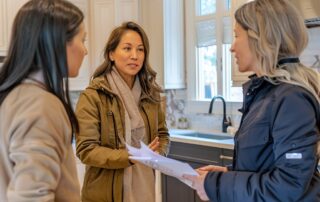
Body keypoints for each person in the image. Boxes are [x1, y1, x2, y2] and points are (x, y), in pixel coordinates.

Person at [183, 0, 320, 201]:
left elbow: (289, 185)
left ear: (260, 38)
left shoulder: (292, 99)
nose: (231, 47)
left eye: (237, 36)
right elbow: (267, 165)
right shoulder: (267, 94)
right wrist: (229, 173)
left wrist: (216, 185)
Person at [0, 0, 87, 201]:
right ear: (57, 43)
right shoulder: (42, 107)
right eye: (83, 40)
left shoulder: (13, 96)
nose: (85, 50)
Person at [75, 21, 170, 202]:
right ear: (111, 54)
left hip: (145, 189)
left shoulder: (151, 95)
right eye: (127, 48)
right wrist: (130, 156)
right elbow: (86, 150)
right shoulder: (92, 96)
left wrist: (160, 153)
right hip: (104, 196)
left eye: (140, 50)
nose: (135, 56)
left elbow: (163, 134)